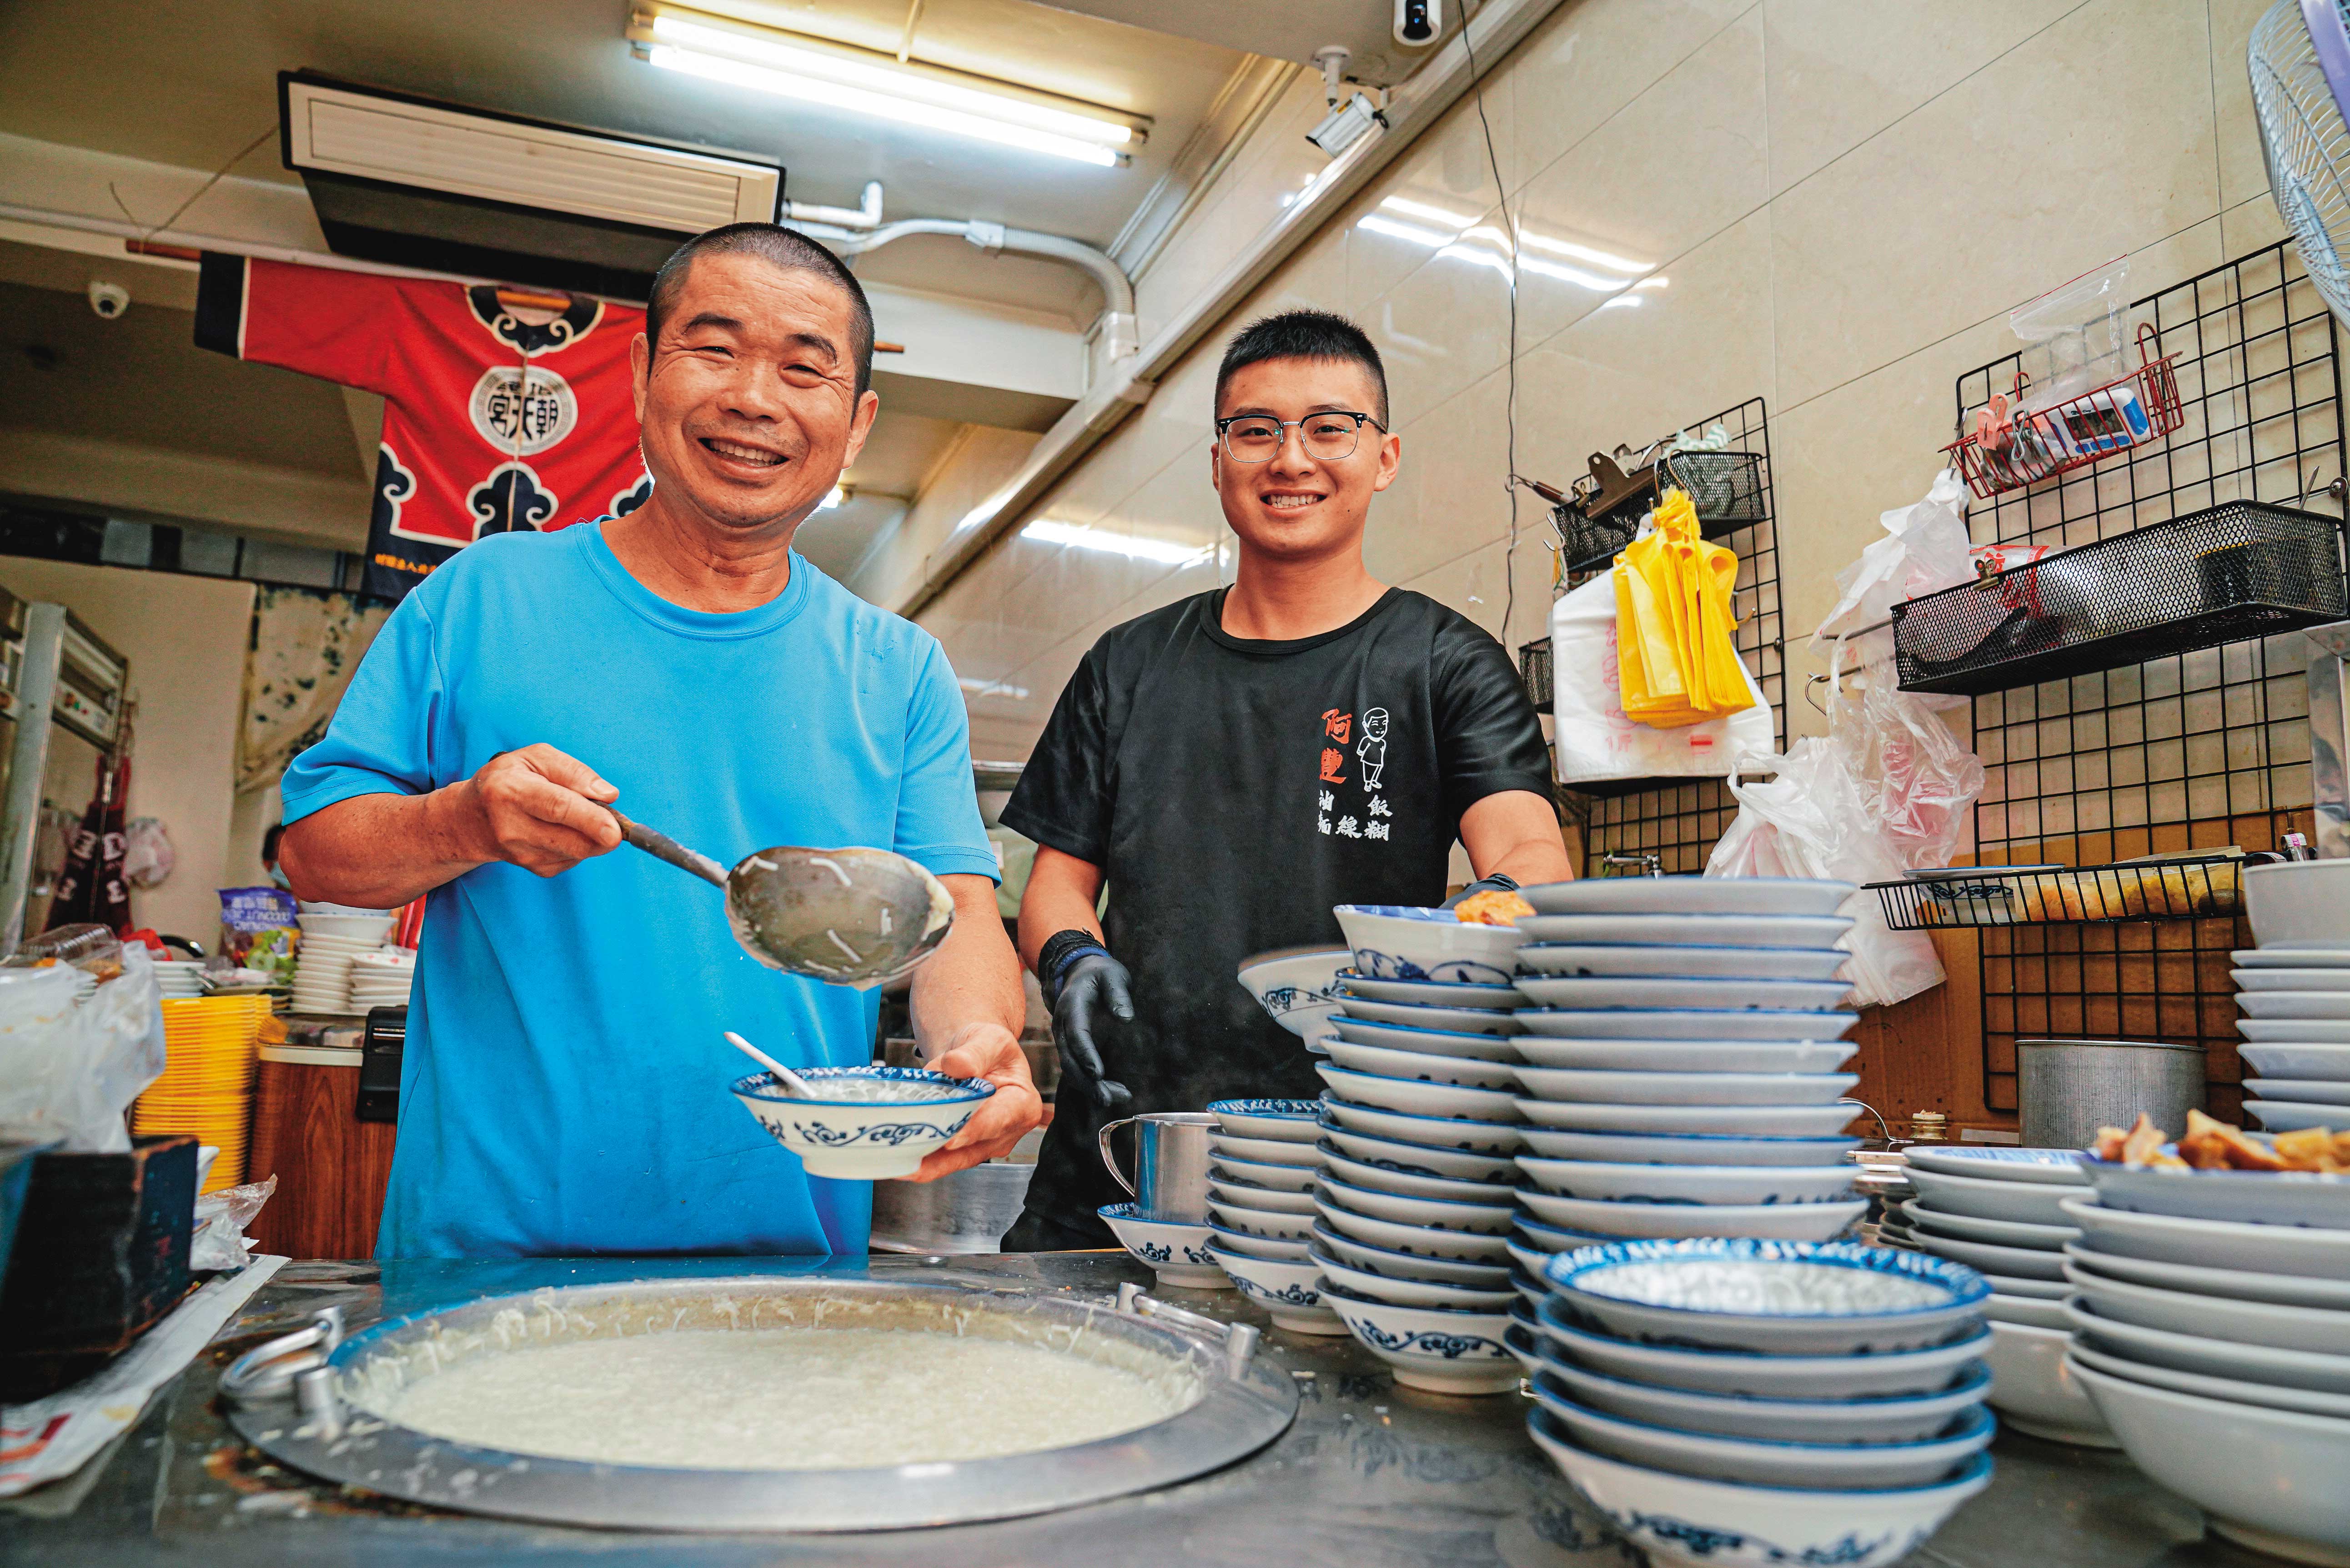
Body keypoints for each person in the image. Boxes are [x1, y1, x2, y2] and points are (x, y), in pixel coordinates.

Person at [278, 224, 1043, 1259]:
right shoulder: (483, 599)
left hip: (791, 1260)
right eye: (714, 348)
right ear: (641, 372)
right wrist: (461, 819)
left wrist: (978, 1045)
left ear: (856, 423)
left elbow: (948, 915)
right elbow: (315, 852)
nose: (754, 399)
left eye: (804, 368)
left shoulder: (895, 668)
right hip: (494, 1255)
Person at [998, 309, 1571, 1252]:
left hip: (1349, 1163)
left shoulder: (1443, 663)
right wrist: (1070, 959)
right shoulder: (1128, 665)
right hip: (1122, 1152)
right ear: (1218, 460)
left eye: (1328, 427)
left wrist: (1495, 909)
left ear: (1383, 457)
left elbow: (1528, 851)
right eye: (1254, 430)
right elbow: (1059, 879)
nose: (1290, 459)